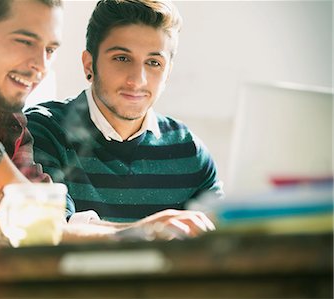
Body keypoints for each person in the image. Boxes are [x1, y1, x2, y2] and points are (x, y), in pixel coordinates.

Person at [0, 0, 213, 247]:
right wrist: (133, 234)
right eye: (25, 41)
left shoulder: (10, 125)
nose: (39, 67)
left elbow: (49, 225)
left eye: (50, 49)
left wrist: (143, 230)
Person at [26, 0, 224, 226]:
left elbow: (222, 239)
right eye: (122, 58)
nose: (137, 80)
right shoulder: (43, 132)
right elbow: (51, 232)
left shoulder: (189, 152)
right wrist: (149, 231)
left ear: (167, 72)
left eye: (153, 62)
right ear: (89, 64)